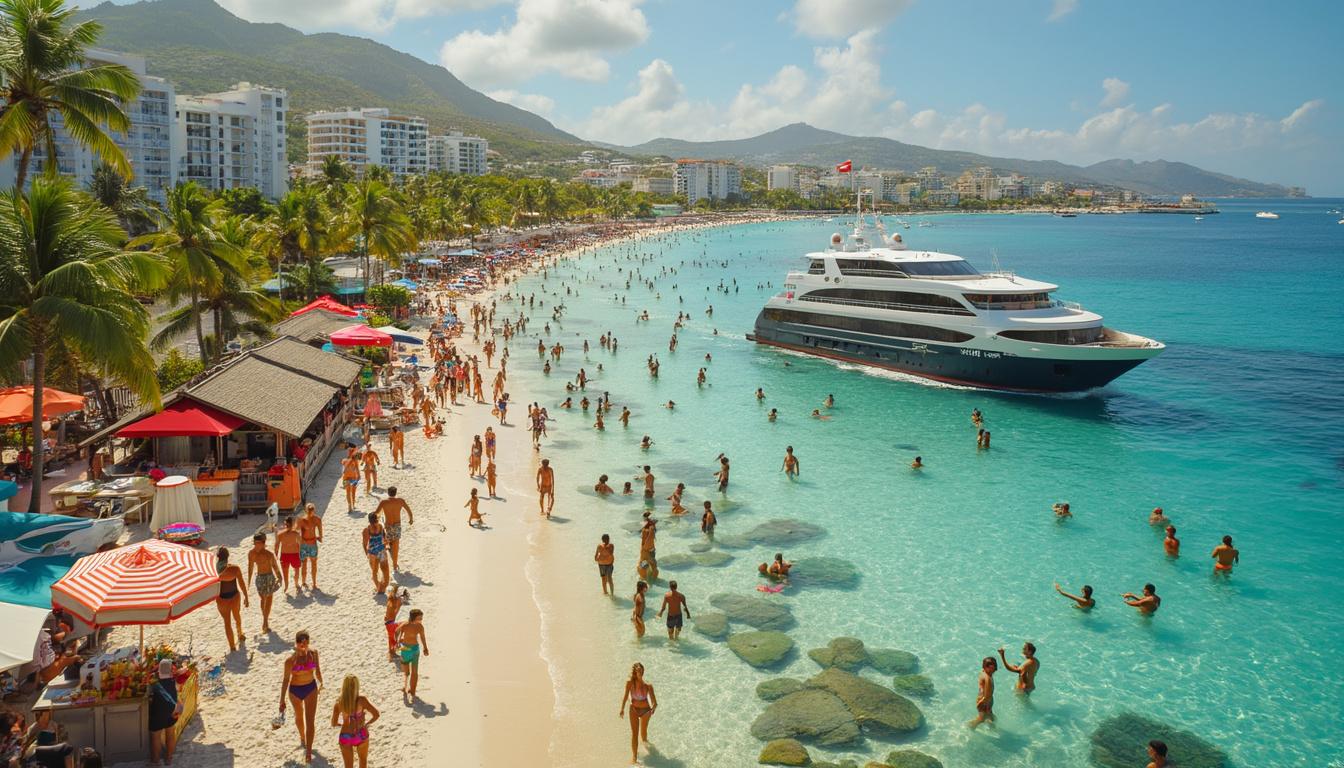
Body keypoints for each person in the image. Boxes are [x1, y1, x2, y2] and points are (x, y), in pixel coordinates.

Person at [279, 630, 323, 763]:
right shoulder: (290, 661)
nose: (303, 645)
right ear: (296, 643)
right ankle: (302, 737)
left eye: (306, 642)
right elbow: (286, 680)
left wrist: (322, 682)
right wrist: (281, 700)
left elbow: (318, 671)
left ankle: (308, 752)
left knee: (310, 721)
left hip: (310, 688)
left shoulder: (313, 654)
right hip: (295, 691)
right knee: (299, 716)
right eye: (301, 643)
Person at [332, 675, 380, 768]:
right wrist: (367, 724)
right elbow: (376, 714)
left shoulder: (339, 703)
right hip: (361, 733)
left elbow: (334, 723)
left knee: (348, 766)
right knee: (363, 761)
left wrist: (341, 724)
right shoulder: (362, 700)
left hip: (346, 735)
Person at [618, 662, 657, 765]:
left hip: (645, 711)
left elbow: (654, 701)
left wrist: (653, 707)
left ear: (643, 671)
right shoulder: (630, 683)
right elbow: (625, 696)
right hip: (634, 710)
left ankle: (648, 748)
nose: (639, 671)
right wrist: (622, 709)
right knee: (634, 734)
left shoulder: (648, 685)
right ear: (634, 671)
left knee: (643, 733)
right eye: (638, 670)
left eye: (641, 670)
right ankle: (634, 758)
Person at [215, 548, 249, 652]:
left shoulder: (213, 571)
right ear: (228, 556)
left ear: (218, 557)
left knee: (227, 622)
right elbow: (241, 583)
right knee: (237, 616)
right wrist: (246, 596)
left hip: (221, 599)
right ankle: (240, 633)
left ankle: (232, 646)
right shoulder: (234, 569)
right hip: (234, 596)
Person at [148, 659, 181, 766]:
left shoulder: (155, 683)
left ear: (159, 671)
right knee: (170, 734)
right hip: (172, 711)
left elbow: (149, 694)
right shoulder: (173, 681)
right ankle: (169, 758)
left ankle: (156, 762)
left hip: (159, 712)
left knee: (155, 737)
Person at [247, 532, 281, 634]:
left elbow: (275, 566)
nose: (256, 545)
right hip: (260, 577)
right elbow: (250, 568)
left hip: (269, 577)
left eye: (258, 543)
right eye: (255, 543)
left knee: (268, 599)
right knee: (263, 599)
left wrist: (279, 577)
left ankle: (265, 622)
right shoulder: (251, 553)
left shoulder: (269, 554)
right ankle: (265, 621)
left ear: (263, 543)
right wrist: (248, 581)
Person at [374, 487, 413, 572]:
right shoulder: (400, 501)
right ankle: (395, 566)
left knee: (388, 542)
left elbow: (376, 513)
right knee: (396, 546)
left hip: (388, 526)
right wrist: (411, 519)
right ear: (396, 493)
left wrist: (375, 518)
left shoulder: (384, 502)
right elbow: (408, 510)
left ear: (388, 493)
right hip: (397, 526)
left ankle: (389, 550)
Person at [395, 609, 429, 697]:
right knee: (410, 672)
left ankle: (411, 689)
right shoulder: (416, 626)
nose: (421, 620)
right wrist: (425, 648)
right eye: (419, 618)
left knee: (411, 672)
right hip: (411, 649)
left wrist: (398, 641)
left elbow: (396, 632)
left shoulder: (406, 625)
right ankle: (409, 688)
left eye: (421, 618)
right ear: (413, 617)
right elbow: (422, 638)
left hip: (409, 649)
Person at [297, 503, 323, 590]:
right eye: (310, 511)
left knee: (310, 563)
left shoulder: (314, 520)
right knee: (308, 563)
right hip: (308, 544)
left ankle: (311, 582)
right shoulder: (312, 520)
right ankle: (307, 582)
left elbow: (320, 532)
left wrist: (319, 537)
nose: (310, 513)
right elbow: (320, 533)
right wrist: (319, 537)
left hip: (307, 544)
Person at [362, 513, 390, 594]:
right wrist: (386, 544)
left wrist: (367, 554)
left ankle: (378, 588)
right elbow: (384, 538)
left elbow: (364, 544)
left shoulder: (366, 530)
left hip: (373, 552)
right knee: (385, 569)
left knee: (375, 571)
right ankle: (383, 587)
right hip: (381, 550)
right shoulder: (380, 526)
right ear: (377, 519)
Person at [967, 656, 997, 729]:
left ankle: (991, 727)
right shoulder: (987, 678)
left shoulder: (984, 672)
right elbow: (986, 695)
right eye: (990, 668)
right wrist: (981, 702)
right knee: (981, 719)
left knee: (991, 718)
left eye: (994, 668)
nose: (993, 670)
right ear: (985, 667)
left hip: (986, 699)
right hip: (984, 701)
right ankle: (969, 726)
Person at [275, 516, 302, 593]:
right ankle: (296, 584)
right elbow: (301, 545)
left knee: (285, 572)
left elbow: (276, 545)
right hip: (295, 554)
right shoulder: (296, 534)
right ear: (293, 524)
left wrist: (276, 554)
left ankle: (286, 586)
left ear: (285, 524)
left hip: (284, 555)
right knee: (296, 571)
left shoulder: (280, 534)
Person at [383, 584, 404, 662]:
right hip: (392, 621)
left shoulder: (391, 598)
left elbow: (391, 610)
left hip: (389, 621)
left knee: (391, 637)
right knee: (393, 637)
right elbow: (396, 612)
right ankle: (392, 654)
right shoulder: (397, 600)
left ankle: (391, 652)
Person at [341, 448, 360, 513]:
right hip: (352, 478)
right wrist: (359, 476)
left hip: (347, 478)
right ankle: (352, 505)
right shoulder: (354, 461)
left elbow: (343, 470)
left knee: (348, 492)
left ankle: (350, 505)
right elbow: (357, 469)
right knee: (353, 492)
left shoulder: (344, 460)